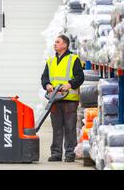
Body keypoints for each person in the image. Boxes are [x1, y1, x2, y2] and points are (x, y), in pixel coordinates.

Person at [40, 34, 84, 162]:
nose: (55, 44)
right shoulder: (51, 61)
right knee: (57, 128)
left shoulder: (74, 59)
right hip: (55, 99)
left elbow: (80, 77)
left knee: (70, 128)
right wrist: (47, 84)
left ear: (65, 45)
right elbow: (44, 77)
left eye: (57, 42)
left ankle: (70, 153)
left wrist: (69, 84)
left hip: (69, 99)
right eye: (55, 42)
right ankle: (56, 154)